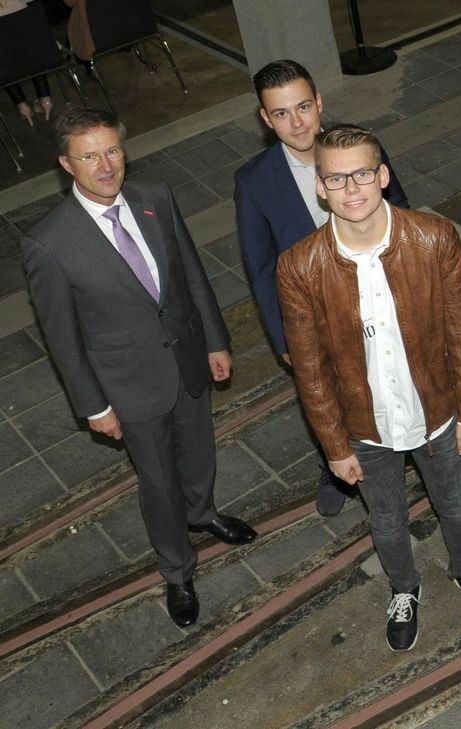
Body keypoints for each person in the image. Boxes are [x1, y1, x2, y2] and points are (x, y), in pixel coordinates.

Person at [22, 108, 256, 628]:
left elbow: (192, 277)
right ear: (66, 164)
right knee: (158, 482)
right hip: (127, 386)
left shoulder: (156, 198)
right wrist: (93, 405)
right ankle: (177, 571)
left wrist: (216, 341)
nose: (106, 166)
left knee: (199, 450)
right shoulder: (48, 242)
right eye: (89, 156)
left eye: (112, 151)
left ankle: (203, 513)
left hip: (187, 356)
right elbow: (63, 339)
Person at [277, 125, 461, 652]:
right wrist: (334, 447)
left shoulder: (433, 238)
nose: (351, 188)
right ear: (320, 187)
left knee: (456, 505)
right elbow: (310, 373)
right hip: (363, 428)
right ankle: (404, 588)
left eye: (361, 173)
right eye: (337, 178)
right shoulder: (299, 267)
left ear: (382, 175)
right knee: (386, 520)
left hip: (438, 413)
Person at [234, 59, 408, 517]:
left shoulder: (362, 149)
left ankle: (412, 448)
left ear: (320, 102)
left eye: (304, 107)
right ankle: (336, 468)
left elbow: (402, 213)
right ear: (265, 118)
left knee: (398, 377)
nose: (297, 123)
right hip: (317, 316)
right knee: (328, 395)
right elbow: (260, 266)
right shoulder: (253, 181)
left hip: (382, 298)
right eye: (281, 113)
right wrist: (283, 338)